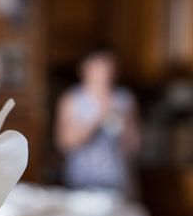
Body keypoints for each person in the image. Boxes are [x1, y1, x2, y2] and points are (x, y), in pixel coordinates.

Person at [55, 48, 141, 195]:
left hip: (118, 182)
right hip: (81, 182)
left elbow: (135, 146)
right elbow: (65, 143)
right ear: (85, 69)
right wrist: (98, 116)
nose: (104, 73)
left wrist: (125, 124)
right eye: (98, 67)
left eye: (108, 68)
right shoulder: (72, 99)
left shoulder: (125, 99)